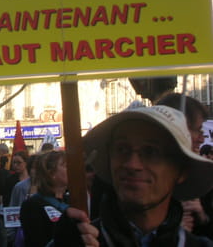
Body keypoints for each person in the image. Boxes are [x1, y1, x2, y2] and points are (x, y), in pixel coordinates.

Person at [54, 105, 213, 247]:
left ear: (181, 171)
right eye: (122, 149)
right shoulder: (77, 240)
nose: (132, 164)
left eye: (151, 151)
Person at [157, 93, 213, 239]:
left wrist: (203, 217)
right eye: (198, 130)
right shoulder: (140, 179)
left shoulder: (204, 179)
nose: (202, 139)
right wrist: (170, 233)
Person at [20, 150, 68, 247]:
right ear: (50, 172)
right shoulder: (33, 205)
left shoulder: (72, 200)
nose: (71, 169)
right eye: (65, 166)